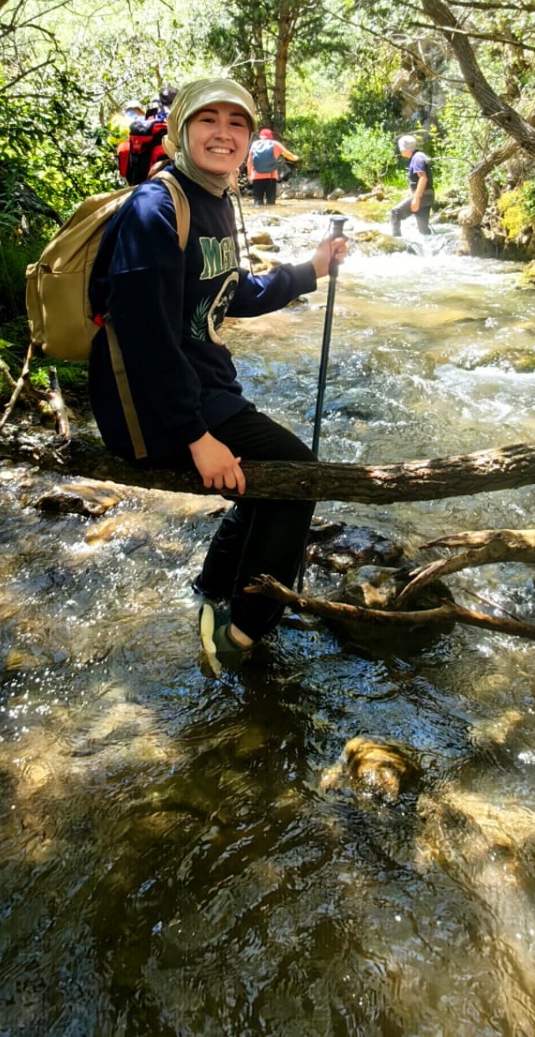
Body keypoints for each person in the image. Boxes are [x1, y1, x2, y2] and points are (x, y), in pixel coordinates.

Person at [88, 77, 346, 675]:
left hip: (200, 388)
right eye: (209, 120)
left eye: (237, 123)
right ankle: (242, 633)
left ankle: (212, 592)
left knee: (263, 480)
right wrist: (197, 437)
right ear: (182, 130)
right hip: (156, 408)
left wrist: (310, 268)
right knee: (296, 477)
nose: (224, 133)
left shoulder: (216, 199)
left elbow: (233, 293)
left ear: (250, 138)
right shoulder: (158, 208)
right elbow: (142, 336)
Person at [390, 134, 435, 238]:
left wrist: (416, 198)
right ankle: (431, 250)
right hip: (428, 196)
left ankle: (396, 243)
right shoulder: (419, 156)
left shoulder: (417, 158)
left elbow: (423, 178)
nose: (400, 150)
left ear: (405, 148)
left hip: (422, 196)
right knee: (423, 230)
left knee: (395, 212)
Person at [247, 126, 299, 206]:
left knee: (257, 202)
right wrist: (296, 158)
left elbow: (249, 161)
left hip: (256, 177)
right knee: (271, 202)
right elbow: (287, 155)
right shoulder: (275, 144)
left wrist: (249, 174)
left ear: (260, 136)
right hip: (271, 177)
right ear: (270, 136)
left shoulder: (254, 144)